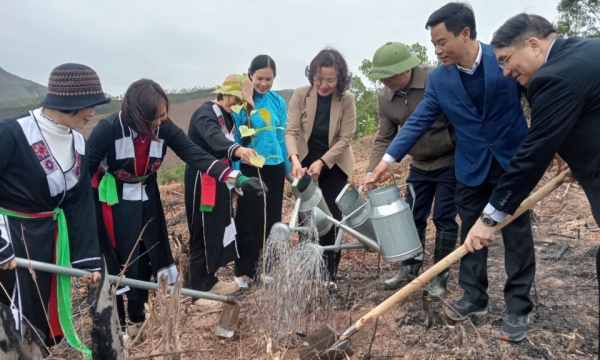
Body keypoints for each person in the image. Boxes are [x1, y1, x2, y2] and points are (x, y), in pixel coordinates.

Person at [368, 2, 535, 342]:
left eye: (442, 42)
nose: (437, 50)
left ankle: (518, 307)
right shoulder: (440, 80)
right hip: (470, 166)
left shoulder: (502, 59)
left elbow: (538, 97)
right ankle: (474, 297)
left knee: (516, 236)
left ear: (465, 33)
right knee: (471, 235)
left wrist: (559, 144)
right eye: (433, 44)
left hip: (511, 163)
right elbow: (418, 121)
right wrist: (387, 160)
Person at [464, 14, 600, 351]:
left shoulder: (552, 78)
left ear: (534, 45)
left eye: (507, 61)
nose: (507, 72)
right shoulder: (586, 50)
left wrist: (489, 218)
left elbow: (531, 157)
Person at [87, 79, 264, 330]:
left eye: (163, 114)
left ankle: (138, 317)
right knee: (120, 260)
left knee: (146, 256)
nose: (160, 121)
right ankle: (116, 327)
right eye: (155, 117)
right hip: (112, 201)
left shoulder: (164, 128)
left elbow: (193, 153)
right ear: (138, 115)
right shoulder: (108, 129)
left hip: (147, 195)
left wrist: (236, 177)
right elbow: (84, 172)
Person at [0, 63, 105, 352]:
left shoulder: (79, 144)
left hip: (49, 240)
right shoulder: (12, 133)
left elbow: (80, 204)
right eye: (90, 105)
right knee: (11, 316)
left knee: (40, 313)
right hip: (10, 237)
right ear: (70, 102)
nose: (93, 113)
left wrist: (86, 262)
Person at [365, 41, 458, 296]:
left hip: (449, 160)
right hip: (419, 165)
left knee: (444, 218)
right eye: (382, 79)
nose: (388, 83)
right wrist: (372, 170)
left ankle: (440, 274)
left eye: (391, 76)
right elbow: (385, 137)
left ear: (407, 69)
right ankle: (410, 267)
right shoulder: (385, 98)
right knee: (412, 216)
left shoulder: (435, 79)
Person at [185, 74, 267, 299]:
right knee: (201, 231)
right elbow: (215, 140)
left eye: (241, 101)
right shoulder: (205, 113)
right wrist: (239, 151)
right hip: (203, 179)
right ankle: (198, 290)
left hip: (221, 175)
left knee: (215, 227)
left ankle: (210, 280)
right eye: (235, 97)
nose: (237, 103)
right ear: (224, 93)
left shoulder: (229, 118)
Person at [285, 48, 356, 294]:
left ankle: (330, 274)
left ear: (340, 79)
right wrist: (294, 160)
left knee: (331, 218)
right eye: (318, 79)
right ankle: (311, 271)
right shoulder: (300, 95)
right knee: (308, 217)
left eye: (330, 80)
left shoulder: (346, 99)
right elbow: (291, 131)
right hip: (304, 163)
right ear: (312, 76)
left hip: (334, 165)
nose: (323, 85)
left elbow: (346, 138)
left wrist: (323, 162)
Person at [232, 55, 290, 289]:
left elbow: (280, 136)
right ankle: (242, 270)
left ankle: (264, 269)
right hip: (250, 167)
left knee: (271, 219)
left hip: (274, 167)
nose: (263, 84)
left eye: (269, 79)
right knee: (248, 219)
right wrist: (237, 176)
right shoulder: (242, 103)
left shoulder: (278, 102)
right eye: (259, 78)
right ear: (250, 76)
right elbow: (235, 140)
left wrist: (287, 170)